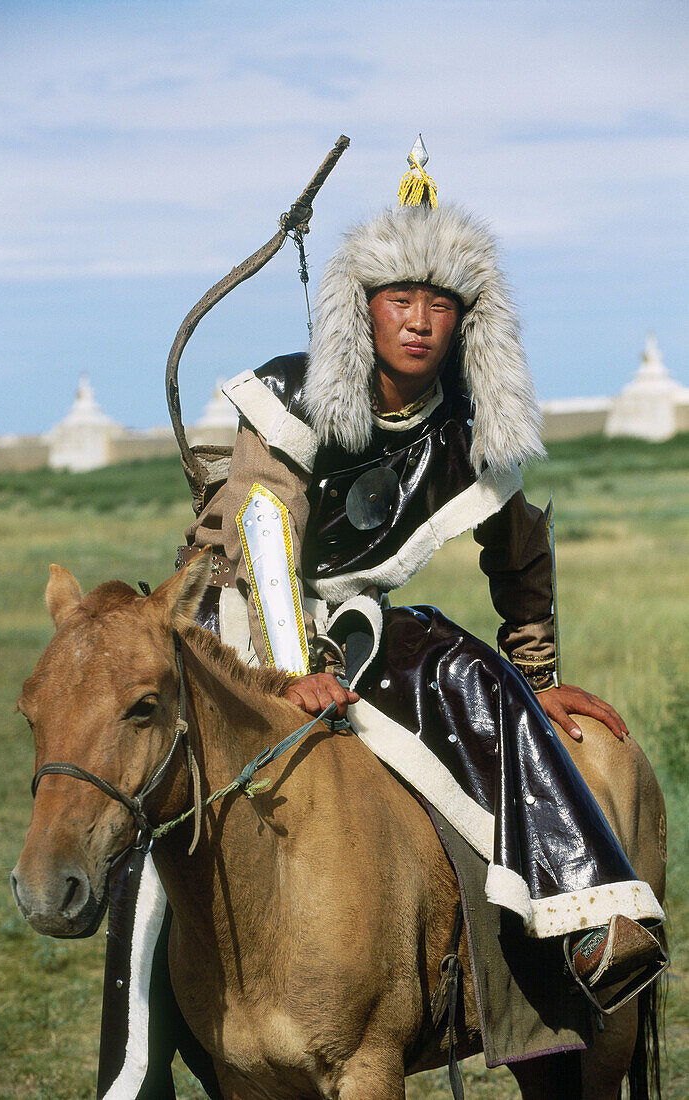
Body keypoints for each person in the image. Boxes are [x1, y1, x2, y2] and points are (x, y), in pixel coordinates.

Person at [185, 142, 665, 1003]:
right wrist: (289, 672)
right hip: (243, 620)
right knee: (125, 740)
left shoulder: (470, 422)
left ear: (465, 319)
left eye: (437, 304)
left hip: (359, 626)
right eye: (397, 299)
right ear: (360, 310)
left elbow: (519, 556)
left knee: (463, 669)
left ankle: (586, 911)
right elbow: (264, 532)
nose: (416, 320)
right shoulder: (291, 398)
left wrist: (536, 678)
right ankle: (138, 1029)